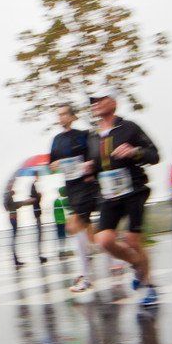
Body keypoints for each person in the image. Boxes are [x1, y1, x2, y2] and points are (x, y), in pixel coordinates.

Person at [84, 88, 160, 306]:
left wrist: (135, 152)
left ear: (113, 102)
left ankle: (147, 284)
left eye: (101, 99)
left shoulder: (129, 127)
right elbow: (96, 164)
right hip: (108, 195)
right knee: (104, 240)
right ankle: (137, 264)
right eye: (93, 101)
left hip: (133, 190)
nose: (96, 103)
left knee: (132, 240)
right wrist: (90, 168)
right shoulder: (92, 136)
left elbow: (154, 155)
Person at [48, 103, 98, 293]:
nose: (60, 118)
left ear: (72, 116)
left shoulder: (83, 135)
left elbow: (93, 157)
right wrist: (55, 165)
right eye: (58, 115)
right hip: (70, 187)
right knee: (83, 229)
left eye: (63, 114)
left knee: (74, 225)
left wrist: (88, 165)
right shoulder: (56, 140)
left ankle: (86, 276)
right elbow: (51, 165)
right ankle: (102, 255)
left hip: (86, 185)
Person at [29, 172, 48, 264]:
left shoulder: (34, 186)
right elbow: (34, 199)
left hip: (37, 212)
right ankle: (39, 255)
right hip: (37, 212)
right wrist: (39, 196)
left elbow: (34, 198)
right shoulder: (33, 186)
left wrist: (38, 196)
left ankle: (40, 254)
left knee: (40, 234)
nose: (38, 177)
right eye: (38, 175)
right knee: (40, 234)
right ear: (36, 176)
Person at [52, 187, 70, 259]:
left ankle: (61, 251)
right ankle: (62, 252)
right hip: (63, 221)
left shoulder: (56, 200)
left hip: (58, 221)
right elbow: (67, 210)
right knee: (63, 237)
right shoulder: (63, 201)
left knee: (61, 237)